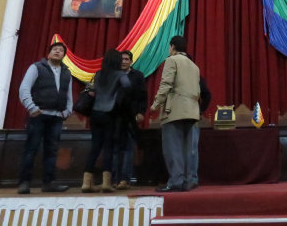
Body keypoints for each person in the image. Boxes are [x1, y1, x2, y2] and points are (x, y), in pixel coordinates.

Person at [18, 42, 72, 194]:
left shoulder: (67, 72)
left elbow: (69, 95)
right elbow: (24, 89)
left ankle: (49, 183)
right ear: (48, 53)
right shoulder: (36, 67)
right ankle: (24, 182)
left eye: (61, 50)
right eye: (55, 49)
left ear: (64, 56)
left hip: (56, 118)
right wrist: (31, 107)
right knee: (31, 149)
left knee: (52, 151)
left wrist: (67, 111)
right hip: (38, 116)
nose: (57, 52)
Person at [151, 36, 200, 192]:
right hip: (192, 110)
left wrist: (156, 104)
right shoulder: (194, 66)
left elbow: (166, 84)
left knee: (173, 148)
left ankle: (176, 181)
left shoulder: (172, 60)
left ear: (172, 46)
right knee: (189, 149)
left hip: (174, 109)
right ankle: (190, 180)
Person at [81, 49, 131, 193]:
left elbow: (94, 90)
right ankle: (106, 183)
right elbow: (127, 86)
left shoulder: (99, 74)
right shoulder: (120, 74)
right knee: (108, 147)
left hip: (95, 112)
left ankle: (86, 182)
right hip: (109, 113)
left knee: (95, 147)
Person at [112, 50, 147, 190]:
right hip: (114, 116)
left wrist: (140, 112)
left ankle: (125, 179)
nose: (124, 61)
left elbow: (143, 96)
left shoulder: (137, 76)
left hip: (130, 116)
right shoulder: (113, 75)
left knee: (128, 148)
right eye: (122, 59)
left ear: (131, 61)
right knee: (114, 148)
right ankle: (113, 179)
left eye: (127, 59)